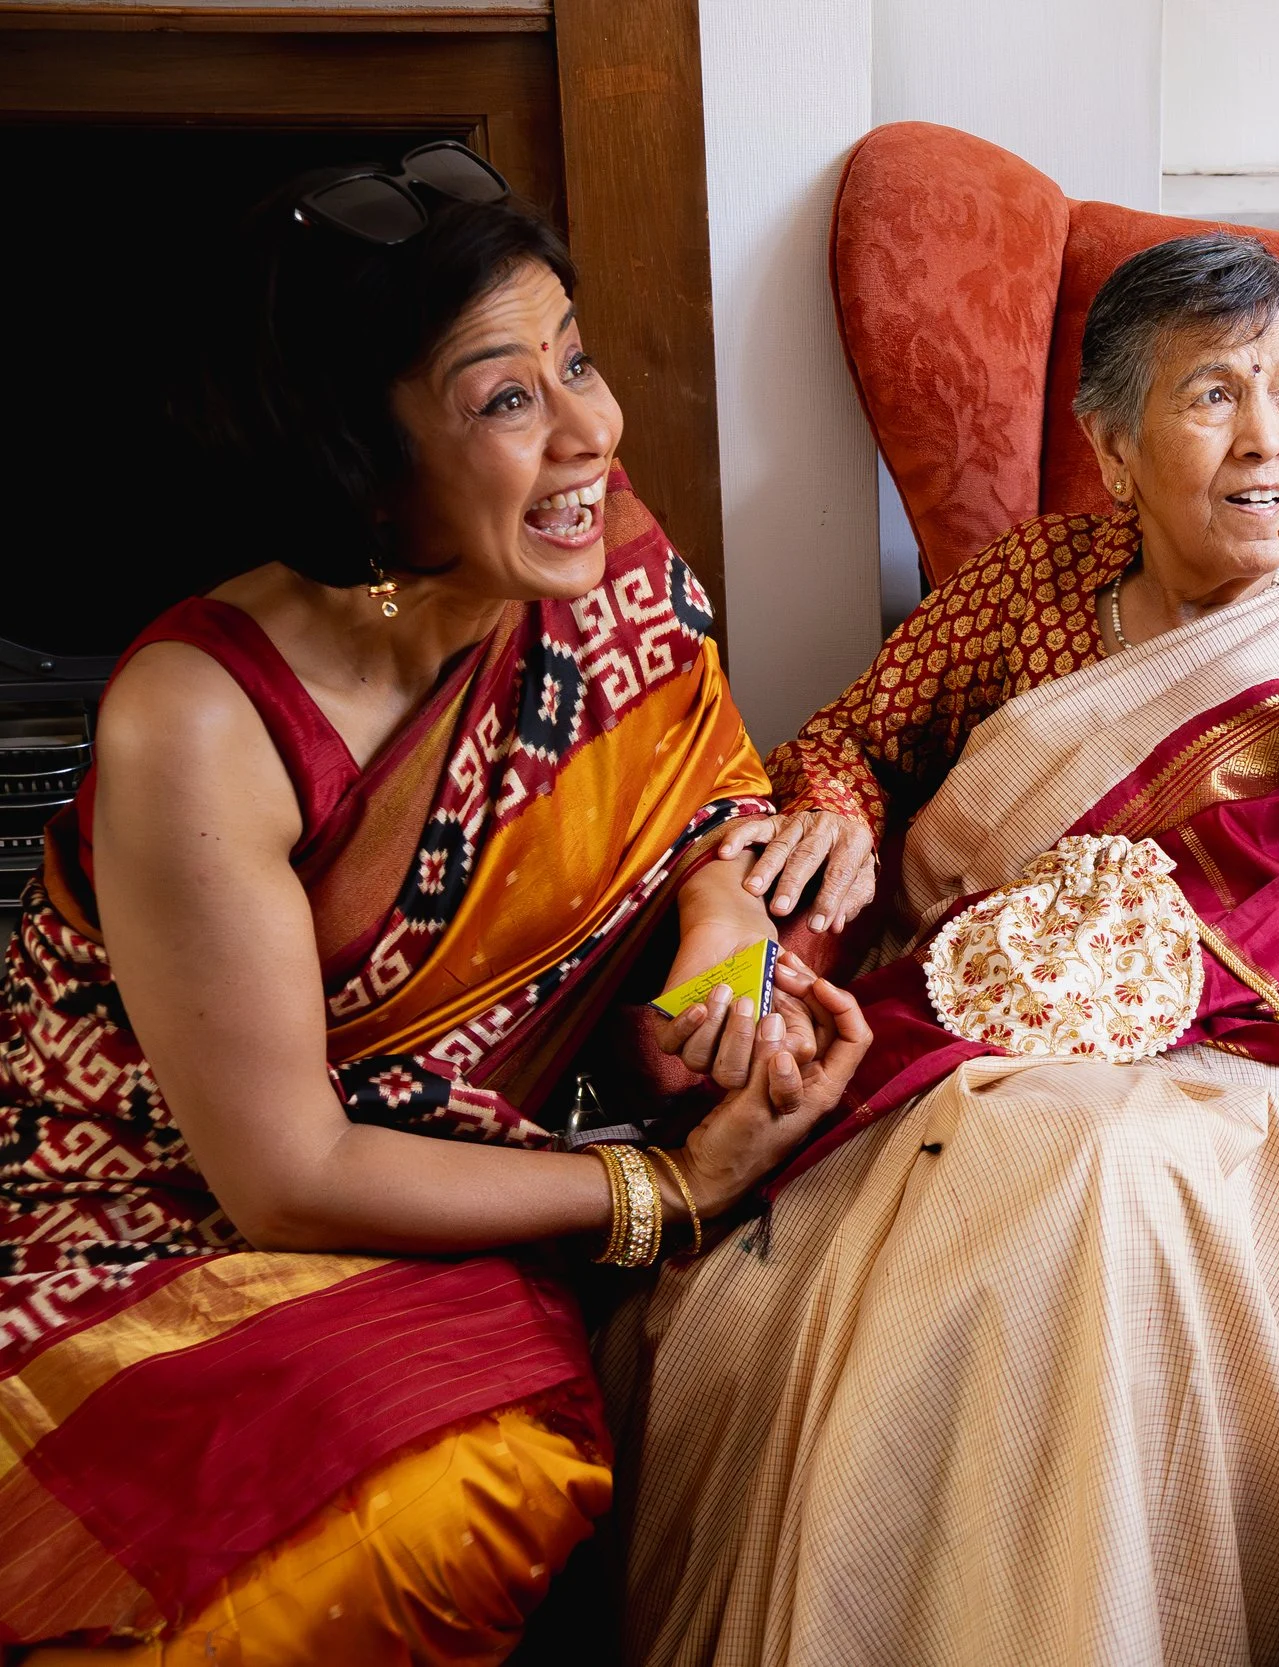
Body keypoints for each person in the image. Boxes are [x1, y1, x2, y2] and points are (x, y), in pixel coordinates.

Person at [610, 232, 1279, 1666]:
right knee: (951, 1188)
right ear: (1111, 442)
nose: (1272, 438)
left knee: (1102, 1166)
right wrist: (829, 811)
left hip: (1276, 1087)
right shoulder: (1034, 590)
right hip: (987, 1050)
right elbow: (849, 738)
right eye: (1214, 395)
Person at [0, 146, 866, 1663]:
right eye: (507, 397)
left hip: (439, 1164)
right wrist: (665, 1193)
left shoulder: (593, 558)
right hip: (164, 1219)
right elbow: (283, 1174)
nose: (593, 427)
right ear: (355, 452)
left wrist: (727, 933)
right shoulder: (200, 719)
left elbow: (700, 789)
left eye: (576, 359)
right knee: (446, 1493)